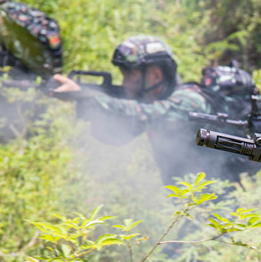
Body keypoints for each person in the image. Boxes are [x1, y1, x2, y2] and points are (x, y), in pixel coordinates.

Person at [53, 35, 249, 185]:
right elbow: (115, 136)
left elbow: (149, 114)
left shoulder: (188, 101)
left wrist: (84, 95)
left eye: (131, 75)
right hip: (190, 205)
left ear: (155, 75)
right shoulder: (152, 105)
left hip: (216, 205)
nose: (125, 83)